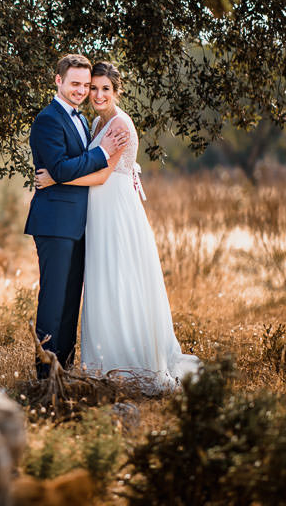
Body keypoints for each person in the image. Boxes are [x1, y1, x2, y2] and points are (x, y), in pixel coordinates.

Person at [36, 61, 200, 393]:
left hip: (116, 210)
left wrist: (54, 176)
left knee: (121, 281)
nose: (94, 94)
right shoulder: (95, 121)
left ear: (116, 90)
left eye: (103, 88)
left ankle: (128, 363)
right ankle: (93, 362)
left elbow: (102, 174)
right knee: (103, 283)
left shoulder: (120, 124)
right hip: (96, 211)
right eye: (90, 87)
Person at [24, 54, 129, 379]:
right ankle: (45, 375)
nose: (82, 90)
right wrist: (100, 153)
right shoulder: (49, 119)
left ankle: (63, 370)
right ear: (59, 81)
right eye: (76, 84)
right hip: (55, 223)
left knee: (70, 302)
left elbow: (67, 168)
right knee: (54, 300)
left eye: (86, 85)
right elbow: (59, 168)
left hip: (79, 223)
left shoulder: (82, 119)